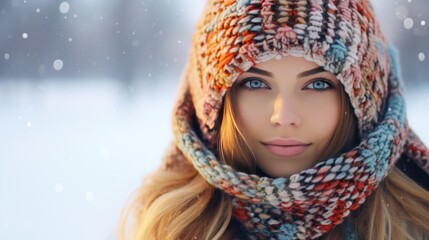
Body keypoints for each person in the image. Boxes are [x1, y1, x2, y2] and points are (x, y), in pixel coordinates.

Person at [119, 0, 429, 239]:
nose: (284, 117)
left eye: (317, 84)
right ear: (211, 102)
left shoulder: (416, 223)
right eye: (255, 83)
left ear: (364, 99)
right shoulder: (169, 227)